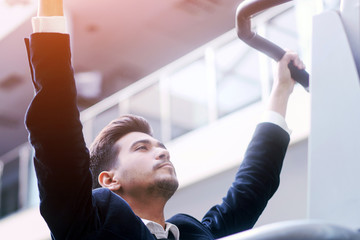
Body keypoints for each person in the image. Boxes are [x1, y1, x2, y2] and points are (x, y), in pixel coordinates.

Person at [24, 0, 305, 239]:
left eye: (159, 145)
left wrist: (281, 90)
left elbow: (252, 187)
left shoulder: (192, 233)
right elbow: (57, 129)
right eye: (142, 148)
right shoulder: (88, 224)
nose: (162, 151)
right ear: (109, 179)